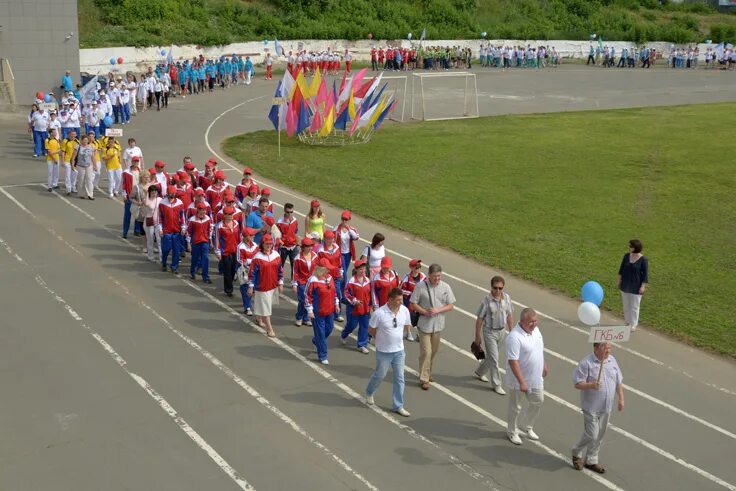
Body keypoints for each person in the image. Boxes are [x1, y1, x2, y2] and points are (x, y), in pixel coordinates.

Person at [572, 342, 624, 474]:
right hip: (591, 407)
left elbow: (618, 381)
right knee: (592, 433)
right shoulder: (586, 363)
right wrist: (590, 385)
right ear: (595, 348)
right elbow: (577, 383)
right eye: (604, 347)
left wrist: (621, 399)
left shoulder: (612, 360)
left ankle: (591, 460)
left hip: (606, 406)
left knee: (600, 434)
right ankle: (577, 452)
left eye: (609, 347)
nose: (608, 349)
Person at [365, 287, 411, 417]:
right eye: (398, 300)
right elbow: (371, 329)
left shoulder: (404, 310)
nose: (400, 302)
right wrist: (381, 340)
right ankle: (369, 392)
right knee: (380, 375)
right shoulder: (379, 313)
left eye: (401, 300)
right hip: (384, 351)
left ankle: (398, 405)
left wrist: (398, 338)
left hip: (399, 351)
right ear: (390, 300)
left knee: (400, 378)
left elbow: (406, 326)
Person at [409, 263, 456, 390]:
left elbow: (451, 305)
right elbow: (413, 303)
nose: (437, 279)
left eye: (439, 276)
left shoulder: (445, 287)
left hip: (438, 325)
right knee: (426, 351)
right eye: (434, 276)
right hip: (424, 324)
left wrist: (438, 310)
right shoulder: (420, 286)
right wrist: (424, 312)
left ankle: (427, 371)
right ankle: (424, 378)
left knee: (433, 351)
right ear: (429, 275)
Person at [506, 308, 548, 445]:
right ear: (522, 321)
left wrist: (544, 364)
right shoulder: (514, 337)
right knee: (515, 407)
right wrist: (522, 382)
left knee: (538, 401)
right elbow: (513, 361)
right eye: (531, 322)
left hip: (535, 377)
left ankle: (526, 427)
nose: (534, 324)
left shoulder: (536, 330)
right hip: (519, 380)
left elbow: (539, 348)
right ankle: (512, 431)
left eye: (536, 320)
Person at [474, 275, 514, 394]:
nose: (497, 291)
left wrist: (511, 332)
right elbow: (479, 319)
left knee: (492, 357)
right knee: (495, 359)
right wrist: (477, 335)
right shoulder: (486, 301)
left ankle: (480, 371)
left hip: (501, 331)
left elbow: (509, 315)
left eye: (500, 288)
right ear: (491, 287)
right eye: (495, 288)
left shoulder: (507, 298)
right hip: (489, 332)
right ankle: (497, 384)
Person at [248, 234, 284, 337]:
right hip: (262, 287)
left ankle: (259, 318)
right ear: (262, 244)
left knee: (267, 305)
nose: (269, 245)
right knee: (266, 308)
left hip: (272, 286)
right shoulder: (257, 257)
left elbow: (280, 270)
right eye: (266, 244)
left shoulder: (276, 255)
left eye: (270, 243)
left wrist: (280, 283)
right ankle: (269, 329)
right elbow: (252, 273)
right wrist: (251, 286)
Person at [306, 258, 339, 364]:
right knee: (320, 333)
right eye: (327, 269)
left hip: (329, 310)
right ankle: (323, 355)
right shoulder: (313, 280)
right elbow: (307, 295)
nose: (329, 271)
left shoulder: (329, 278)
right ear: (321, 270)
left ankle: (317, 341)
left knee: (329, 328)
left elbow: (334, 292)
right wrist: (309, 310)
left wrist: (336, 303)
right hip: (318, 312)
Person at [341, 259, 372, 353]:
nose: (363, 271)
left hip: (365, 308)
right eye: (360, 269)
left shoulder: (367, 280)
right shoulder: (351, 281)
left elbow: (370, 293)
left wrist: (371, 304)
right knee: (352, 325)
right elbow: (346, 293)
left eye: (364, 269)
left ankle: (362, 344)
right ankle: (344, 333)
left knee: (364, 326)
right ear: (356, 270)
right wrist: (354, 301)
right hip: (354, 309)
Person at [617, 239, 648, 331]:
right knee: (626, 305)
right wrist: (619, 280)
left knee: (634, 306)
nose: (628, 248)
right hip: (625, 284)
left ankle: (633, 324)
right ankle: (627, 322)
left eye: (630, 246)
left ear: (635, 248)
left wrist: (643, 286)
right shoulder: (626, 256)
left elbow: (645, 275)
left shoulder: (643, 260)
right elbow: (621, 269)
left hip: (636, 286)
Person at [158, 185, 186, 274]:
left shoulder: (180, 203)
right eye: (170, 194)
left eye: (173, 194)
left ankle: (174, 267)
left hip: (176, 230)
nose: (172, 196)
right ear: (167, 194)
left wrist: (183, 227)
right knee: (166, 249)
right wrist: (160, 228)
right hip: (166, 230)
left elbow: (182, 217)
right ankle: (164, 262)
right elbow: (160, 217)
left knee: (176, 250)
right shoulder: (162, 203)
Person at [215, 206, 240, 296]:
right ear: (224, 215)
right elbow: (217, 239)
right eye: (228, 214)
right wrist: (218, 252)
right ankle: (228, 290)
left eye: (231, 214)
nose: (230, 216)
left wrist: (240, 248)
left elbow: (238, 237)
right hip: (225, 252)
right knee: (228, 271)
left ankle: (230, 283)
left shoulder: (236, 223)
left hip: (235, 251)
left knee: (234, 269)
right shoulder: (220, 226)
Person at [399, 258, 425, 342]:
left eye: (419, 267)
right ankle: (408, 332)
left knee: (420, 317)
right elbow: (401, 290)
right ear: (412, 268)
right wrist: (411, 293)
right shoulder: (407, 277)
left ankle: (419, 334)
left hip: (419, 301)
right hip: (409, 301)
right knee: (409, 317)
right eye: (416, 267)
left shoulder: (423, 276)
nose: (418, 269)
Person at [187, 201, 214, 283]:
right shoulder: (192, 220)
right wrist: (188, 243)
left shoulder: (208, 219)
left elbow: (210, 230)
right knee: (194, 259)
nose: (203, 211)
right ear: (197, 210)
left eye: (204, 210)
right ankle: (192, 272)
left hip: (205, 242)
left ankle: (205, 277)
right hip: (195, 242)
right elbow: (188, 232)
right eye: (201, 210)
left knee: (205, 259)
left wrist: (211, 241)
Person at [293, 237, 317, 326]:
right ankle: (299, 317)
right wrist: (295, 284)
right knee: (303, 300)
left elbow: (317, 269)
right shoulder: (298, 258)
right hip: (302, 282)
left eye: (311, 245)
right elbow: (295, 272)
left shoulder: (315, 255)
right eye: (307, 246)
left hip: (311, 282)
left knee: (310, 300)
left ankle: (306, 318)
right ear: (303, 247)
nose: (310, 248)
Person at [334, 209, 360, 288]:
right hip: (340, 254)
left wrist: (349, 229)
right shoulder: (336, 229)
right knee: (344, 275)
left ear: (349, 219)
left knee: (342, 273)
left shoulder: (351, 229)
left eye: (346, 219)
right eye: (343, 219)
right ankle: (341, 292)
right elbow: (333, 240)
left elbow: (356, 237)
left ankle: (340, 291)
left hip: (348, 254)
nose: (344, 221)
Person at [237, 228, 259, 314]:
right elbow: (239, 260)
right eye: (251, 235)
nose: (253, 236)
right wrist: (250, 262)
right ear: (246, 236)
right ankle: (247, 307)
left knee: (253, 287)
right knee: (245, 288)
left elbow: (257, 256)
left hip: (253, 269)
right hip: (243, 270)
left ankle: (247, 303)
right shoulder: (240, 246)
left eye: (253, 234)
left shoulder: (255, 245)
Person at [276, 202, 299, 283]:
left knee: (295, 265)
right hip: (284, 248)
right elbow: (277, 235)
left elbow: (295, 231)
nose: (290, 214)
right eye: (288, 212)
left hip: (293, 246)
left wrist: (296, 241)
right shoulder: (279, 222)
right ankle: (279, 279)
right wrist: (281, 241)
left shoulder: (295, 220)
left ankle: (294, 281)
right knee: (281, 264)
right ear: (284, 211)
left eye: (291, 212)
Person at [121, 159, 140, 238]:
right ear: (132, 162)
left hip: (138, 197)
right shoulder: (126, 172)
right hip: (129, 196)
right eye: (134, 161)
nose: (136, 163)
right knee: (127, 216)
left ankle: (137, 231)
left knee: (137, 215)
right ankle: (125, 232)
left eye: (137, 162)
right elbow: (123, 183)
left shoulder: (140, 171)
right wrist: (124, 194)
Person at [73, 135, 96, 200]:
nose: (85, 141)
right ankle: (81, 194)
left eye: (86, 140)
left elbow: (93, 157)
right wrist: (72, 165)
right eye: (84, 140)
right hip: (80, 166)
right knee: (81, 180)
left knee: (89, 180)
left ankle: (90, 195)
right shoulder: (78, 147)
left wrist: (95, 165)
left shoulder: (91, 147)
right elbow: (73, 157)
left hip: (89, 166)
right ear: (81, 140)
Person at [143, 185, 162, 262]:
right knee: (150, 240)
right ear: (149, 193)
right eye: (152, 193)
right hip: (149, 222)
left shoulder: (160, 199)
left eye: (155, 192)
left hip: (158, 223)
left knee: (159, 240)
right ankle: (150, 256)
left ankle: (161, 257)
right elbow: (146, 204)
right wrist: (147, 194)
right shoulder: (147, 200)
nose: (154, 194)